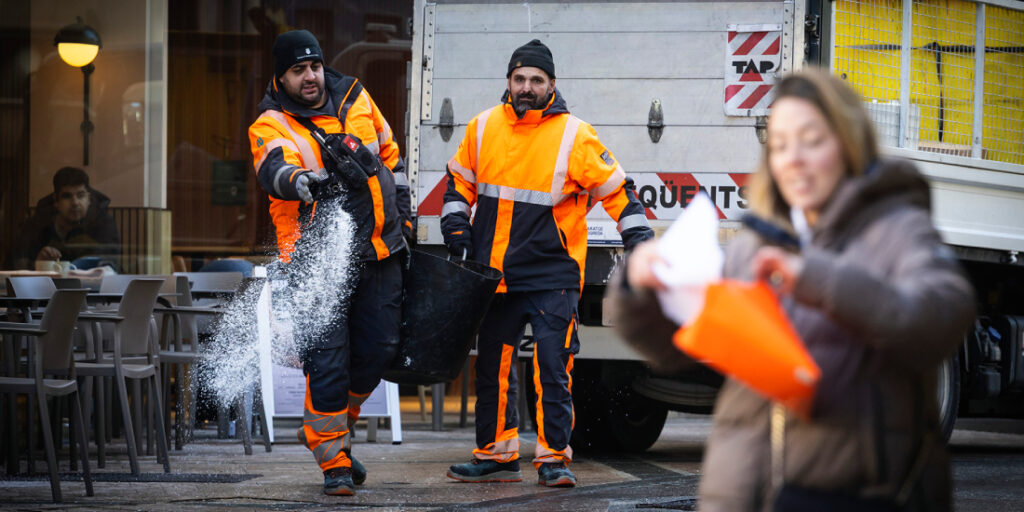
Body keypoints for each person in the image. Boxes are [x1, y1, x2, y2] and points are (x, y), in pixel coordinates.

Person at [608, 69, 975, 511]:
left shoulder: (896, 228)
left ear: (849, 142)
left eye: (811, 141)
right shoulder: (754, 246)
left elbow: (942, 314)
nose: (793, 159)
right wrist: (641, 289)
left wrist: (819, 279)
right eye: (780, 145)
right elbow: (673, 351)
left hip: (863, 497)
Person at [442, 39, 654, 488]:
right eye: (519, 78)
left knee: (553, 370)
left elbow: (617, 190)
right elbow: (459, 184)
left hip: (552, 274)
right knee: (492, 370)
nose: (526, 87)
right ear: (508, 81)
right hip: (496, 275)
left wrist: (638, 239)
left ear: (552, 84)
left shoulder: (575, 135)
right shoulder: (483, 127)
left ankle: (554, 458)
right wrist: (456, 230)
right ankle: (496, 455)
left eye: (536, 80)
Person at [247, 29, 412, 496]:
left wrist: (404, 215)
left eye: (315, 66)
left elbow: (390, 156)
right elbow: (272, 167)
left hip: (379, 250)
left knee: (380, 350)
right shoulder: (270, 123)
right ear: (281, 78)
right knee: (328, 361)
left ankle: (332, 427)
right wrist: (297, 180)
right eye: (298, 70)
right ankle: (333, 458)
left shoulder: (357, 96)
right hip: (315, 263)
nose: (310, 76)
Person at [15, 166, 120, 271]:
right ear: (56, 200)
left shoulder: (103, 224)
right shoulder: (37, 225)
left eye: (80, 195)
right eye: (67, 196)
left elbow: (111, 266)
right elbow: (18, 266)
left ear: (89, 199)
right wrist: (38, 264)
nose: (75, 203)